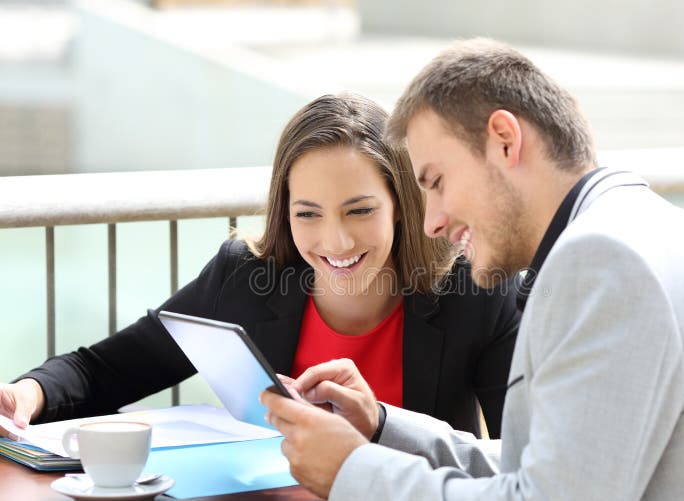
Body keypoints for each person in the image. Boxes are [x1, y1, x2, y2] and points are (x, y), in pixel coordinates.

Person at [261, 39, 684, 501]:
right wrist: (380, 427)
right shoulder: (633, 234)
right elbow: (550, 473)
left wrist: (352, 472)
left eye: (436, 182)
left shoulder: (607, 261)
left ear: (503, 141)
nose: (431, 222)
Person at [0, 93, 519, 440]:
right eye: (307, 214)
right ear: (284, 212)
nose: (335, 240)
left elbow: (524, 466)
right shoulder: (244, 277)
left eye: (360, 210)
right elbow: (105, 370)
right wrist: (26, 395)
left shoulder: (474, 292)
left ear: (400, 205)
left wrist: (381, 429)